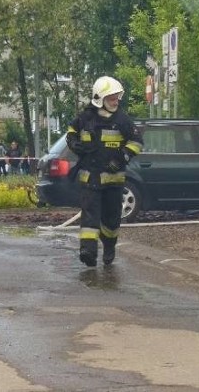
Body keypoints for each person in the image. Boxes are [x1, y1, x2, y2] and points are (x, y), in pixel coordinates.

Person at [66, 76, 143, 267]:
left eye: (117, 97)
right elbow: (71, 132)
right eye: (111, 98)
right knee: (90, 215)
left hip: (113, 180)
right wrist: (74, 143)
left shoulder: (122, 120)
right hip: (90, 177)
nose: (115, 101)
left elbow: (137, 142)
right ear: (99, 98)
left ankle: (109, 245)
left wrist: (121, 158)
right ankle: (88, 252)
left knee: (111, 218)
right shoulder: (85, 118)